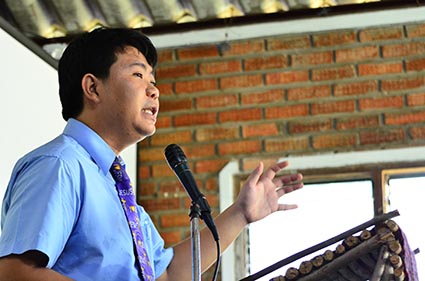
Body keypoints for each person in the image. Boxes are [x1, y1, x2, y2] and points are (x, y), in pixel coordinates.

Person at [0, 27, 303, 281]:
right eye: (138, 75)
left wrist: (240, 214)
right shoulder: (59, 165)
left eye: (153, 82)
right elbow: (13, 272)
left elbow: (167, 274)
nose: (154, 91)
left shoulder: (114, 187)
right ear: (92, 87)